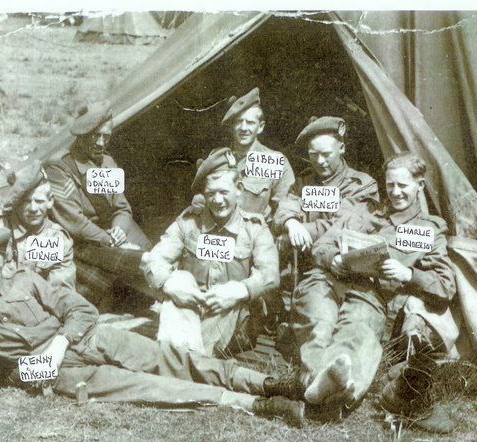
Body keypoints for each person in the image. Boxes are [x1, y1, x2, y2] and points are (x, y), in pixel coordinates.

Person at [0, 228, 305, 426]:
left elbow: (80, 309)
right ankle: (259, 404)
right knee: (145, 387)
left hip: (82, 336)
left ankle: (270, 383)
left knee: (168, 356)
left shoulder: (25, 278)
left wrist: (61, 340)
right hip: (38, 369)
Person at [290, 152, 456, 418]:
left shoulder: (429, 230)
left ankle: (332, 385)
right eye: (390, 184)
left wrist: (409, 274)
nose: (396, 192)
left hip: (370, 295)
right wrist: (333, 259)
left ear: (419, 186)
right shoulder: (363, 210)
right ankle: (325, 384)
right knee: (318, 322)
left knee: (357, 332)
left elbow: (446, 286)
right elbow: (322, 245)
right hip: (328, 280)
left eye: (403, 185)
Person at [142, 148, 280, 357]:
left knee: (229, 293)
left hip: (234, 319)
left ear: (239, 189)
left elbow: (270, 274)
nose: (217, 200)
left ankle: (180, 359)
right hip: (189, 311)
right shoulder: (188, 223)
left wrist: (239, 290)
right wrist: (171, 284)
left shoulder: (255, 228)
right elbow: (155, 259)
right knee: (179, 278)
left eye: (224, 192)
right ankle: (186, 361)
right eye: (210, 193)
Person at [42, 101, 152, 304]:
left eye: (106, 136)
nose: (101, 143)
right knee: (126, 276)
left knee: (152, 261)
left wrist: (119, 229)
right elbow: (75, 222)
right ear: (82, 134)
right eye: (95, 135)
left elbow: (122, 207)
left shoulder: (107, 163)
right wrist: (109, 240)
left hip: (109, 233)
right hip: (82, 241)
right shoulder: (60, 167)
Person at [274, 116, 379, 253]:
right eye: (314, 154)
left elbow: (340, 226)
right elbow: (285, 208)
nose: (320, 161)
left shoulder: (361, 186)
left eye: (326, 154)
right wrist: (291, 223)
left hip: (338, 260)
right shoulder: (303, 182)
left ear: (341, 148)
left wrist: (299, 231)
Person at [190, 87, 295, 222]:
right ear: (231, 126)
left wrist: (288, 223)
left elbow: (285, 205)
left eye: (250, 122)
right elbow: (202, 199)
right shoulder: (216, 158)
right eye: (238, 122)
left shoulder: (274, 161)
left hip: (255, 237)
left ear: (261, 127)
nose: (244, 128)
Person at [0, 162, 76, 289]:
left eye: (39, 201)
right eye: (26, 201)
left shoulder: (57, 239)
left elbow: (60, 294)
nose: (33, 208)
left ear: (50, 201)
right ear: (16, 203)